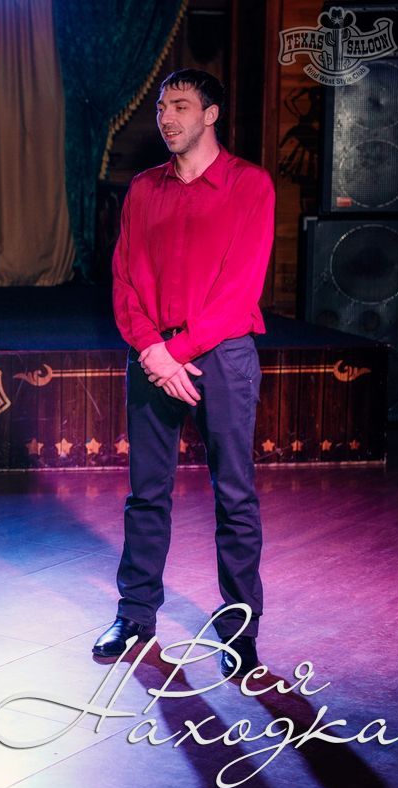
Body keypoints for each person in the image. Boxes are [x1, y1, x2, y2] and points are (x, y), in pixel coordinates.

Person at [93, 69, 274, 678]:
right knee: (146, 493)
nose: (166, 117)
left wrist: (177, 352)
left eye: (180, 106)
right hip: (153, 353)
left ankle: (240, 624)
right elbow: (124, 277)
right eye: (161, 108)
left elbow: (240, 290)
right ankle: (135, 614)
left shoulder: (249, 184)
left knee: (234, 493)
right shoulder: (145, 188)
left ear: (210, 114)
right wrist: (152, 349)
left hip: (222, 354)